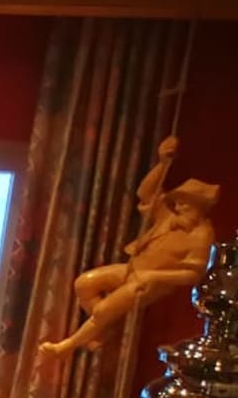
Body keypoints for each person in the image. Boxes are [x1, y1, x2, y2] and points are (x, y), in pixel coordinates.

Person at [43, 136, 220, 356]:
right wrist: (162, 163)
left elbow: (194, 274)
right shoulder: (169, 217)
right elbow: (146, 193)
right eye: (178, 201)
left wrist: (155, 277)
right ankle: (102, 328)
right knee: (84, 284)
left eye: (185, 202)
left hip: (149, 283)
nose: (178, 205)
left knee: (104, 310)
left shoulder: (201, 235)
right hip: (132, 268)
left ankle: (66, 346)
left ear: (199, 205)